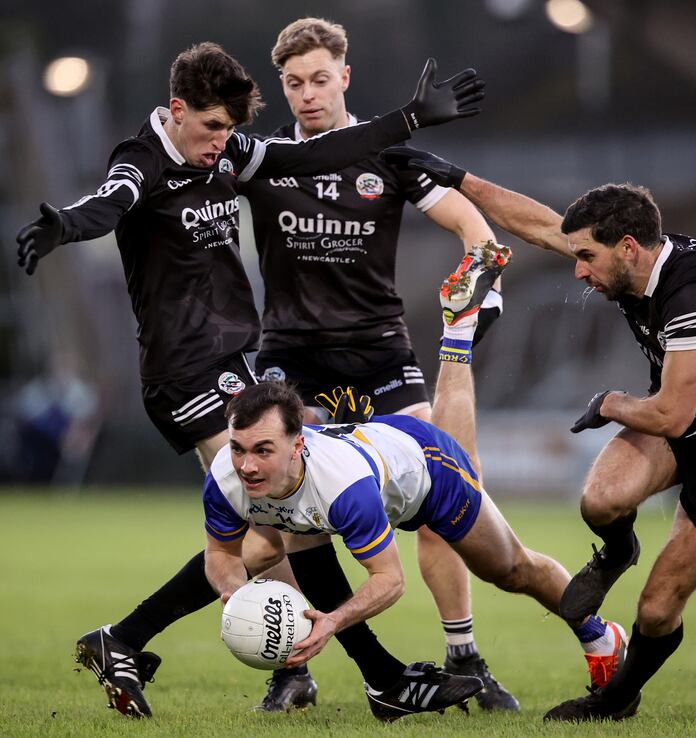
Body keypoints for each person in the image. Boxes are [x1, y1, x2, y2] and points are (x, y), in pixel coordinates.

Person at [15, 43, 485, 718]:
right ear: (176, 111)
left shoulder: (227, 150)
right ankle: (376, 677)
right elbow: (108, 204)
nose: (220, 145)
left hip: (238, 359)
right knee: (287, 520)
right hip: (184, 373)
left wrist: (407, 119)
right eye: (209, 128)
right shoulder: (141, 160)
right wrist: (66, 226)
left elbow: (310, 156)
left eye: (229, 131)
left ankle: (127, 639)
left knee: (277, 528)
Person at [381, 149, 696, 721]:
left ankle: (615, 700)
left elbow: (670, 416)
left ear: (627, 248)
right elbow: (544, 228)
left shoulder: (694, 296)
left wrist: (612, 403)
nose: (577, 270)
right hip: (678, 418)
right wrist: (454, 177)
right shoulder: (631, 262)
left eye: (587, 258)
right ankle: (619, 550)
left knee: (656, 608)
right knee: (600, 499)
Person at [203, 242, 629, 720]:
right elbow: (224, 553)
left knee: (510, 569)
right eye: (240, 450)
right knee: (288, 539)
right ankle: (460, 330)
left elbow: (388, 581)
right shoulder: (245, 469)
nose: (246, 464)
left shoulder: (340, 484)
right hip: (376, 449)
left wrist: (330, 624)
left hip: (427, 470)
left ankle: (600, 636)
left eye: (258, 451)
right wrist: (235, 596)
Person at [238, 17, 515, 711]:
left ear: (346, 77)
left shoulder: (389, 157)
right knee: (280, 518)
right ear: (282, 86)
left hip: (380, 354)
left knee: (439, 497)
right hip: (292, 356)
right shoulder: (263, 160)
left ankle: (464, 654)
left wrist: (488, 287)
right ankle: (291, 665)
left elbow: (473, 226)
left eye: (320, 79)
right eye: (294, 83)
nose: (307, 94)